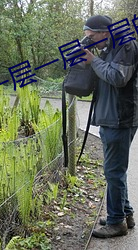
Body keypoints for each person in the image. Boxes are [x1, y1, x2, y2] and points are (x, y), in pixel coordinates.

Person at [82, 15, 138, 238]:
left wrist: (93, 60)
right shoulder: (110, 47)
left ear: (105, 31)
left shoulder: (126, 45)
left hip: (120, 118)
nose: (90, 41)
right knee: (116, 171)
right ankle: (125, 214)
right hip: (110, 117)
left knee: (113, 171)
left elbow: (117, 77)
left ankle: (116, 223)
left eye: (91, 36)